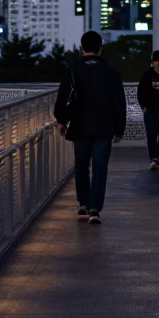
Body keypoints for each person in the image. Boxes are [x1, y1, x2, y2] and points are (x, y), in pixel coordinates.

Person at [55, 30, 126, 224]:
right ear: (101, 49)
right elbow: (119, 101)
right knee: (100, 167)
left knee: (81, 165)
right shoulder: (111, 71)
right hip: (105, 126)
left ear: (81, 48)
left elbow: (63, 97)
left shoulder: (72, 69)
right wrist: (119, 127)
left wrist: (61, 121)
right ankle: (95, 208)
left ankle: (83, 204)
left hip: (79, 125)